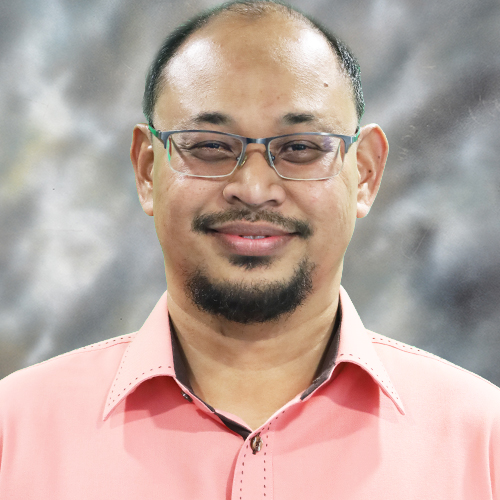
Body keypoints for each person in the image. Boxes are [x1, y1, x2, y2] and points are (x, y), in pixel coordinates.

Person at [1, 1, 499, 498]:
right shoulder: (15, 432)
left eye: (300, 147)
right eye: (209, 146)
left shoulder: (482, 441)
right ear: (147, 170)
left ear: (365, 173)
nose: (254, 189)